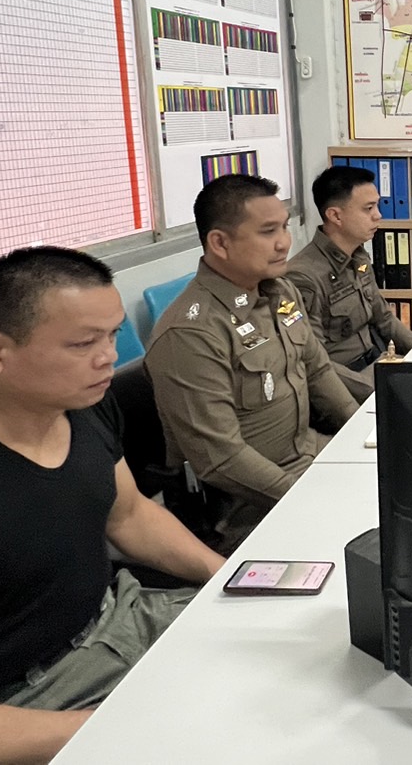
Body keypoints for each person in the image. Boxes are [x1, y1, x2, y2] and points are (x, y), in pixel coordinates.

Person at [0, 247, 225, 763]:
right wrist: (113, 726)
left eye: (112, 335)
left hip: (118, 618)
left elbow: (129, 516)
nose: (109, 357)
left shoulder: (82, 407)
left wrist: (230, 577)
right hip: (24, 698)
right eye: (84, 343)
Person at [147, 175, 359, 552]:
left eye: (284, 227)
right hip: (250, 507)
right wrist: (308, 500)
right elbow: (222, 459)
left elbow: (317, 369)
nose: (284, 242)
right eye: (267, 231)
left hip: (311, 457)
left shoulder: (279, 291)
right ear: (220, 243)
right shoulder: (191, 332)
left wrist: (361, 435)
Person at [285, 165, 412, 401]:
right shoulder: (304, 277)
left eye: (377, 206)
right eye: (368, 208)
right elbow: (315, 362)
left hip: (378, 363)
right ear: (335, 216)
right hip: (345, 387)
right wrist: (375, 389)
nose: (378, 215)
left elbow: (384, 318)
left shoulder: (358, 256)